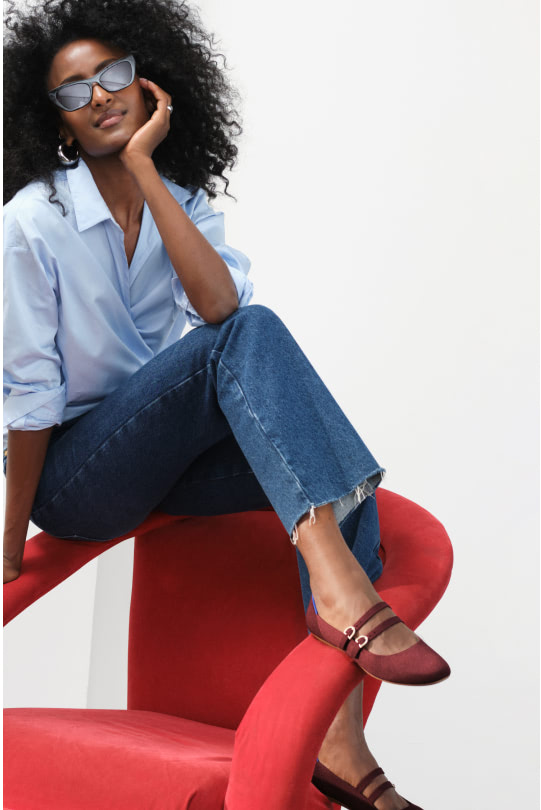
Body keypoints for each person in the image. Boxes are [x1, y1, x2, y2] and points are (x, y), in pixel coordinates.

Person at [3, 1, 450, 808]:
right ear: (59, 125)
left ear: (148, 88)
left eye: (113, 76)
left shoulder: (181, 200)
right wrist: (11, 536)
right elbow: (29, 393)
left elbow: (214, 304)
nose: (100, 97)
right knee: (250, 338)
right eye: (75, 93)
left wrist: (145, 171)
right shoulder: (33, 224)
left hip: (156, 462)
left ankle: (338, 737)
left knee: (333, 462)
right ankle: (341, 596)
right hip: (76, 476)